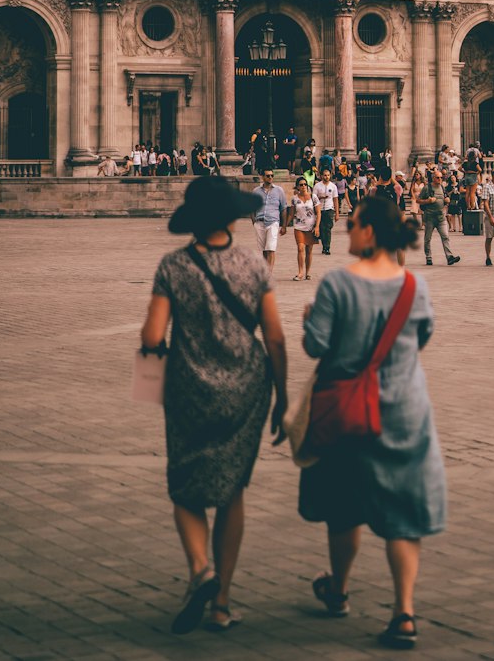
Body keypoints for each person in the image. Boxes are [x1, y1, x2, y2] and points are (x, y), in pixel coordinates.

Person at [140, 177, 287, 633]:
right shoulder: (252, 266)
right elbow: (276, 337)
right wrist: (282, 396)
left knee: (185, 484)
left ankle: (200, 568)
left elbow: (151, 335)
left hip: (188, 388)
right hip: (247, 389)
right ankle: (221, 601)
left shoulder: (173, 266)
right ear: (231, 217)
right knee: (232, 489)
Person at [299, 194, 445, 649]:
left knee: (344, 508)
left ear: (370, 232)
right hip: (404, 409)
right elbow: (422, 337)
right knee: (403, 515)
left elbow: (315, 346)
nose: (346, 228)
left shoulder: (337, 284)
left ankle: (339, 590)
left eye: (353, 223)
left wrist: (310, 320)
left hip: (347, 412)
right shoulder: (413, 285)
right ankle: (404, 612)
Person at [419, 170, 460, 267]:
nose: (440, 179)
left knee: (445, 236)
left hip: (441, 217)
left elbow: (445, 198)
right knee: (427, 238)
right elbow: (418, 200)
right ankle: (428, 257)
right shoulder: (427, 188)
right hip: (430, 217)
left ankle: (449, 257)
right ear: (433, 178)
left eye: (441, 177)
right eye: (438, 177)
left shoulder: (442, 187)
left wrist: (447, 200)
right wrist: (428, 201)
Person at [252, 168, 288, 274]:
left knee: (271, 248)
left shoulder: (279, 190)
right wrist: (253, 221)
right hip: (259, 221)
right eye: (268, 176)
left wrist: (284, 225)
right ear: (263, 177)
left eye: (272, 176)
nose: (270, 178)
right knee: (264, 249)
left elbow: (283, 208)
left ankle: (269, 273)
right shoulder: (256, 191)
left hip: (273, 221)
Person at [289, 177, 320, 281]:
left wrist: (317, 226)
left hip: (311, 226)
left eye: (305, 184)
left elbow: (318, 213)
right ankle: (300, 272)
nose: (303, 186)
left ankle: (308, 272)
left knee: (309, 250)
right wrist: (284, 225)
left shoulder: (313, 197)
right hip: (298, 226)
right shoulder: (294, 199)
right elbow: (291, 213)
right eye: (301, 185)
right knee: (300, 248)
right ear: (297, 187)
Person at [313, 166, 339, 256]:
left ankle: (327, 247)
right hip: (320, 210)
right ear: (321, 176)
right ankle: (324, 245)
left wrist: (337, 213)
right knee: (322, 229)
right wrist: (320, 197)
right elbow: (313, 198)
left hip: (329, 209)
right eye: (325, 175)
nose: (326, 177)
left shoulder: (333, 186)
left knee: (328, 228)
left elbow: (335, 199)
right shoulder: (317, 186)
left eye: (328, 175)